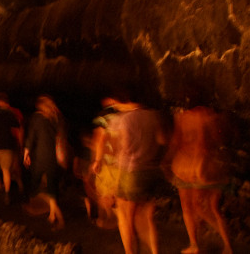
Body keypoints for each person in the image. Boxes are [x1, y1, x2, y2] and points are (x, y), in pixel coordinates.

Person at [92, 95, 167, 254]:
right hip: (151, 171)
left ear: (122, 101)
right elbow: (161, 141)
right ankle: (155, 251)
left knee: (125, 217)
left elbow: (122, 145)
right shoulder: (153, 115)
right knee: (147, 218)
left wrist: (104, 161)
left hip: (131, 171)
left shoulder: (123, 119)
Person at [164, 104, 233, 254]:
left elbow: (178, 141)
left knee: (189, 207)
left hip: (187, 166)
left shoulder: (182, 117)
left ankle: (195, 244)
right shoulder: (210, 115)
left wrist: (166, 160)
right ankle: (227, 244)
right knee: (212, 208)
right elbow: (216, 140)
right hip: (209, 166)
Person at [23, 95, 66, 230]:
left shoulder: (37, 118)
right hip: (54, 157)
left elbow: (31, 136)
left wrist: (26, 153)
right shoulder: (56, 118)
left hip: (41, 156)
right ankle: (53, 216)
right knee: (52, 187)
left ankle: (58, 217)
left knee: (35, 182)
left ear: (39, 106)